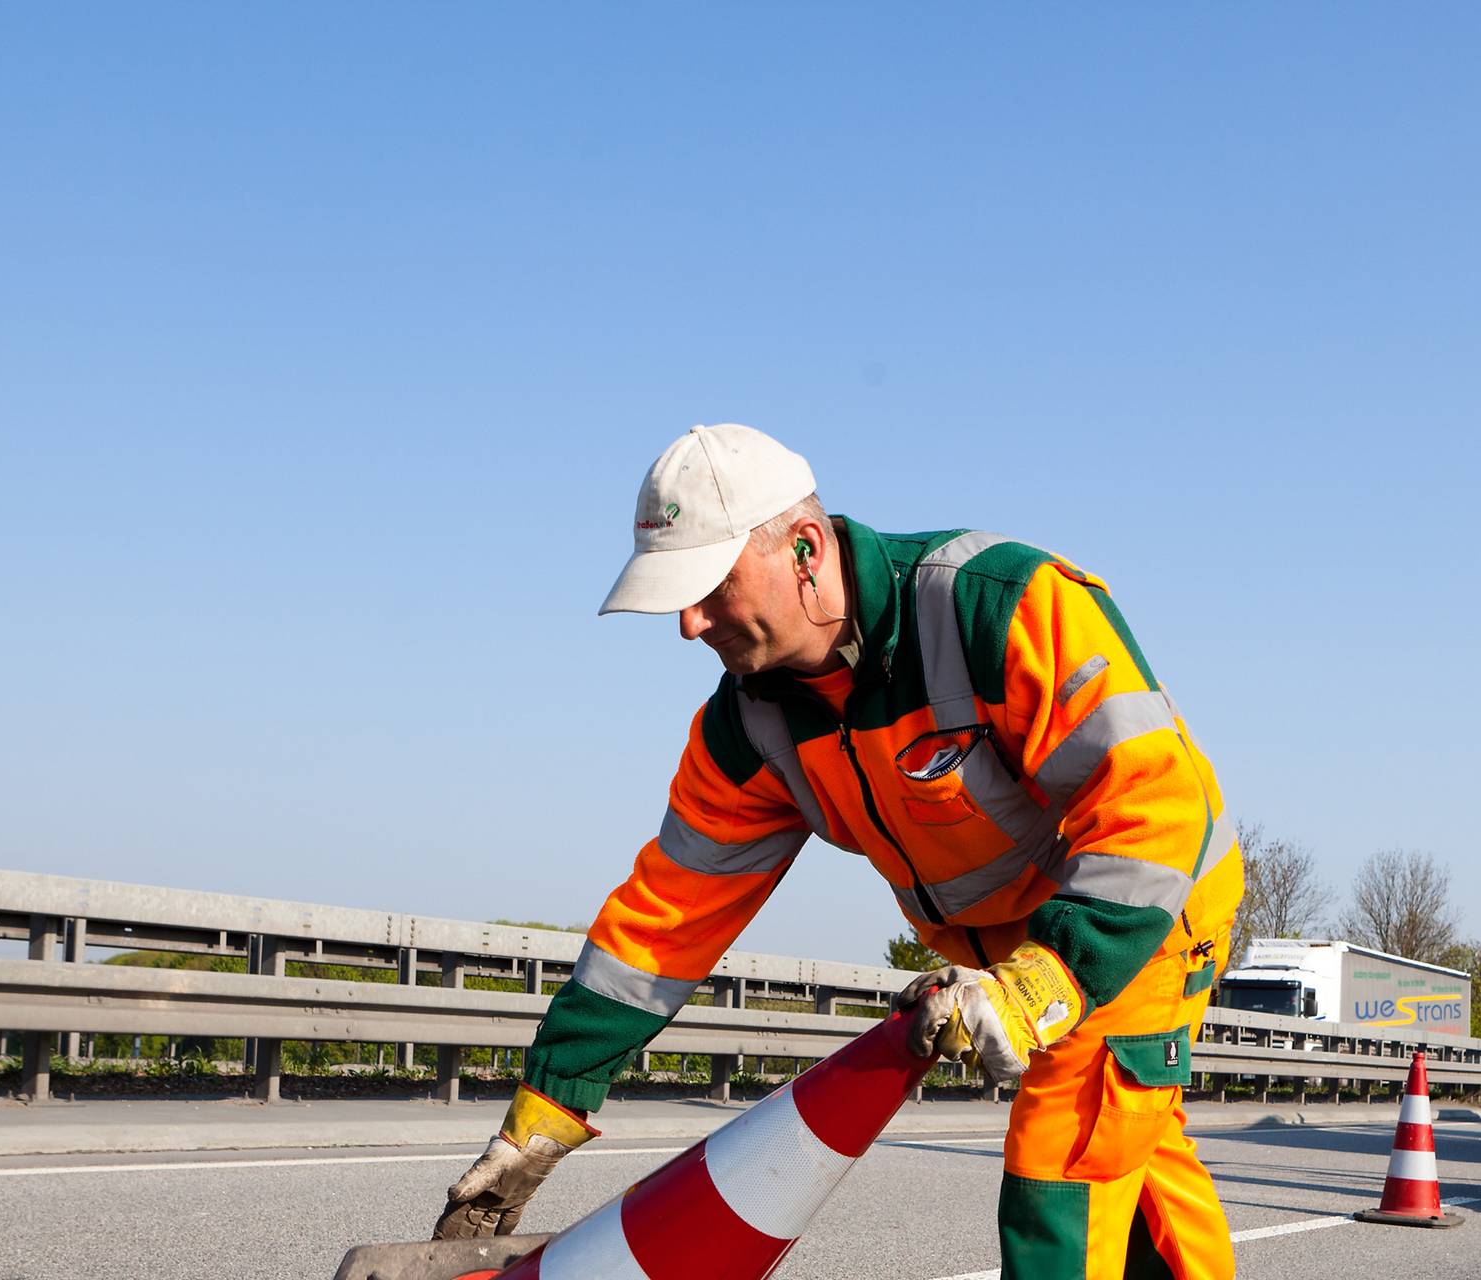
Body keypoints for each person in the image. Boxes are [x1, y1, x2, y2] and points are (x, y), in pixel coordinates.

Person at [433, 424, 1243, 1278]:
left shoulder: (995, 605)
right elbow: (663, 922)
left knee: (1063, 1164)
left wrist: (1050, 978)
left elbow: (1153, 805)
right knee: (1134, 1150)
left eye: (709, 585)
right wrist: (545, 1112)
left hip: (1138, 911)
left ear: (806, 548)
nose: (687, 622)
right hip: (1011, 945)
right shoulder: (749, 726)